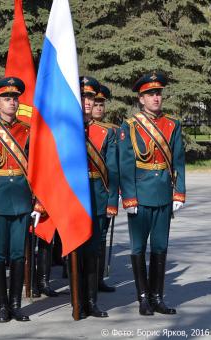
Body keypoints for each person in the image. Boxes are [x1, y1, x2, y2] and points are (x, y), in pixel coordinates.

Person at [0, 77, 44, 322]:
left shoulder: (27, 130)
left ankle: (16, 304)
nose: (12, 102)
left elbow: (38, 169)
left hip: (22, 201)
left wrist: (38, 202)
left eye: (14, 98)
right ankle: (2, 306)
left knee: (18, 256)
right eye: (5, 98)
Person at [119, 72, 185, 316]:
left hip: (163, 196)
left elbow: (178, 161)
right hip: (140, 195)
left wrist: (178, 193)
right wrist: (129, 197)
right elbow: (126, 164)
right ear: (141, 98)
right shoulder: (130, 126)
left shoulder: (172, 125)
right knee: (138, 248)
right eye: (150, 94)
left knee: (160, 247)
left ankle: (158, 297)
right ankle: (143, 298)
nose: (156, 98)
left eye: (158, 93)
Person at [92, 84, 118, 293]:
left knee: (100, 237)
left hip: (102, 190)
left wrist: (114, 194)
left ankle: (97, 279)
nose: (98, 107)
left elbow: (114, 167)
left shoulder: (111, 131)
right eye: (95, 103)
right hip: (82, 191)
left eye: (101, 103)